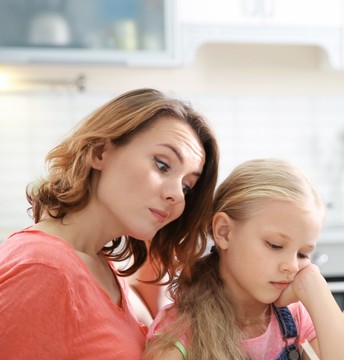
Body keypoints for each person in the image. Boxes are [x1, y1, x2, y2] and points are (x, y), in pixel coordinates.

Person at [0, 88, 220, 359]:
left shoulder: (103, 266)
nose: (176, 195)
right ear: (100, 152)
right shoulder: (43, 269)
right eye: (162, 165)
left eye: (187, 187)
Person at [144, 159, 344, 360]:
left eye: (302, 254)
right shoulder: (180, 332)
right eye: (275, 245)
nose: (291, 266)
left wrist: (316, 288)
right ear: (224, 232)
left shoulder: (294, 317)